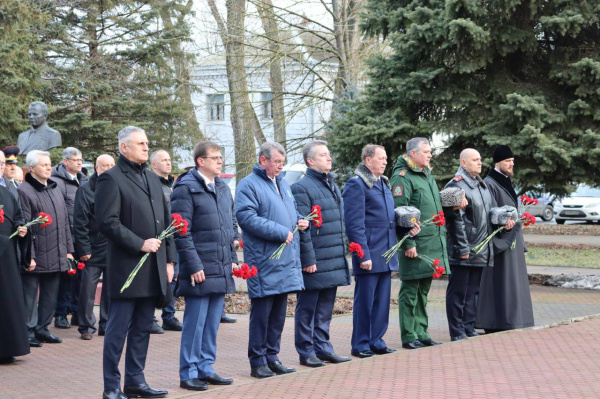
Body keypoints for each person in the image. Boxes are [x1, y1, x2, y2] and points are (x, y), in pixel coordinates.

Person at [96, 126, 176, 399]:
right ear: (124, 147)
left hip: (153, 268)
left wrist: (170, 260)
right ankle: (111, 387)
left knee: (143, 327)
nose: (146, 147)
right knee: (117, 331)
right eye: (140, 143)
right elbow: (107, 222)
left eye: (147, 143)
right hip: (127, 267)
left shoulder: (154, 179)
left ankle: (135, 381)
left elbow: (166, 225)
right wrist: (139, 243)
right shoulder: (111, 179)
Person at [236, 142, 307, 379]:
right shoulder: (249, 185)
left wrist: (300, 220)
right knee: (262, 313)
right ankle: (258, 361)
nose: (280, 166)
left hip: (285, 259)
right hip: (264, 259)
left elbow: (290, 212)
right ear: (263, 160)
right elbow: (246, 217)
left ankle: (272, 357)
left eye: (282, 162)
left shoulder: (283, 184)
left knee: (278, 313)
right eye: (276, 162)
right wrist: (279, 231)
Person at [171, 141, 237, 391]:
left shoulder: (221, 187)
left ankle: (206, 367)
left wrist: (232, 259)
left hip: (220, 265)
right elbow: (181, 230)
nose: (220, 161)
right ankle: (188, 372)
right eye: (215, 158)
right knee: (195, 323)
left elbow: (229, 227)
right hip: (198, 267)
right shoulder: (186, 188)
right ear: (201, 161)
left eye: (221, 157)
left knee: (211, 323)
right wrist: (193, 264)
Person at [290, 140, 351, 367]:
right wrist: (308, 259)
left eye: (329, 154)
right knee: (307, 309)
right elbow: (302, 228)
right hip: (314, 260)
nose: (329, 158)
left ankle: (323, 348)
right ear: (310, 161)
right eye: (323, 155)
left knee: (325, 308)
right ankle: (306, 352)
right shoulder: (301, 187)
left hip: (333, 257)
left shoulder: (332, 185)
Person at [343, 144, 406, 358]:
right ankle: (360, 344)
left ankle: (376, 340)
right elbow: (354, 224)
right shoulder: (357, 184)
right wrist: (363, 255)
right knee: (365, 302)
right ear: (368, 160)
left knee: (381, 302)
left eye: (386, 158)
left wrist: (407, 227)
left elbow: (388, 219)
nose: (385, 161)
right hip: (369, 253)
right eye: (381, 157)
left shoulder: (383, 183)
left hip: (386, 252)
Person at [444, 149, 514, 341]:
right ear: (463, 163)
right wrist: (462, 248)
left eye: (480, 160)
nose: (479, 163)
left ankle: (468, 326)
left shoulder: (482, 186)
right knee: (458, 292)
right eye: (475, 160)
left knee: (473, 291)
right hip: (465, 248)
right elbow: (455, 222)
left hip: (482, 247)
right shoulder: (456, 185)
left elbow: (490, 215)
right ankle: (457, 330)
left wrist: (504, 221)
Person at [389, 138, 450, 350]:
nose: (430, 154)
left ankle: (422, 331)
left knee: (423, 290)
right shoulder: (402, 178)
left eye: (430, 151)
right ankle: (409, 335)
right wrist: (408, 244)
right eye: (426, 151)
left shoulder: (426, 175)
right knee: (410, 291)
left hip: (431, 242)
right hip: (415, 244)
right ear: (413, 154)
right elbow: (400, 213)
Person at [18, 150, 74, 346]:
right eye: (44, 165)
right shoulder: (24, 191)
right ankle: (29, 330)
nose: (49, 167)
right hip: (36, 255)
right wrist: (29, 256)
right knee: (30, 297)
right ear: (32, 168)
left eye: (49, 164)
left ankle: (43, 329)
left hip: (56, 251)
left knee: (51, 294)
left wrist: (68, 249)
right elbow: (26, 225)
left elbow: (64, 222)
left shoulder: (55, 188)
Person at [476, 145, 534, 333]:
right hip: (501, 240)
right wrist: (503, 225)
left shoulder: (504, 180)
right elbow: (489, 212)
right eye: (508, 161)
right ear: (498, 162)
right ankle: (497, 321)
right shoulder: (489, 183)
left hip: (511, 238)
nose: (511, 164)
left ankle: (513, 318)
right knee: (500, 282)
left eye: (512, 161)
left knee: (512, 282)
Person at [74, 154, 115, 340]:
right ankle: (86, 326)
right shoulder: (85, 189)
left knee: (110, 289)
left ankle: (106, 324)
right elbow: (80, 222)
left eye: (111, 165)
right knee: (87, 290)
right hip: (92, 248)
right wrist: (84, 249)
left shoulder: (117, 186)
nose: (108, 168)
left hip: (113, 247)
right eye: (104, 165)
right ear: (96, 168)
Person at [52, 147, 88, 329]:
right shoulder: (56, 182)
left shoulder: (83, 180)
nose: (79, 162)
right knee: (66, 278)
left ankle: (76, 312)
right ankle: (60, 314)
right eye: (75, 160)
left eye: (81, 159)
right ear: (65, 161)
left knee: (81, 278)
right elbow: (60, 213)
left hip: (83, 237)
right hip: (67, 238)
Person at [150, 149, 182, 333]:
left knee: (173, 279)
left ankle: (168, 316)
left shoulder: (173, 185)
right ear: (154, 164)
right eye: (164, 160)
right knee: (156, 279)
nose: (168, 163)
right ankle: (149, 317)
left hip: (174, 238)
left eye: (169, 160)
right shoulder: (151, 185)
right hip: (158, 239)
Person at [0, 182, 29, 364]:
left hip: (6, 257)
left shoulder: (5, 192)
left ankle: (7, 348)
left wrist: (21, 227)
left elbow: (18, 216)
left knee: (8, 301)